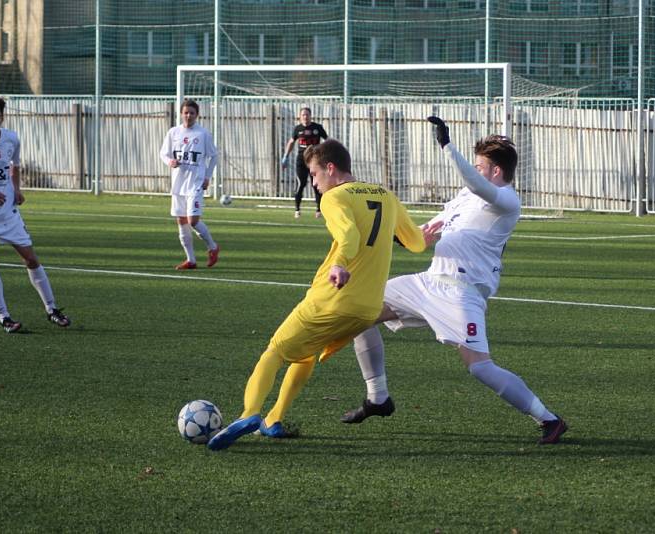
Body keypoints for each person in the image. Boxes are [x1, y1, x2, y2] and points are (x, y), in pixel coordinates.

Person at [340, 116, 568, 445]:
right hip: (429, 282)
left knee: (479, 367)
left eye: (479, 166)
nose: (474, 171)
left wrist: (447, 146)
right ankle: (378, 397)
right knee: (359, 311)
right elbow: (421, 235)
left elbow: (478, 185)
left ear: (496, 172)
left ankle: (549, 419)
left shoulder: (508, 201)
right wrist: (397, 235)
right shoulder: (464, 196)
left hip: (461, 293)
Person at [208, 139, 440, 450]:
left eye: (314, 174)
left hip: (333, 298)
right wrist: (430, 235)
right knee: (304, 353)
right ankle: (274, 419)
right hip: (368, 309)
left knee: (275, 351)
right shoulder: (386, 195)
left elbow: (349, 236)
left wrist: (340, 264)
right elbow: (415, 243)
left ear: (330, 168)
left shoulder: (334, 197)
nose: (314, 183)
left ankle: (249, 414)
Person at [0, 95, 71, 333]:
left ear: (2, 118)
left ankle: (52, 309)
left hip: (7, 214)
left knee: (31, 259)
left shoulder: (11, 139)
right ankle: (4, 317)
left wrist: (16, 189)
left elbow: (14, 165)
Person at [159, 99, 220, 270]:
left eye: (192, 113)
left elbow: (214, 156)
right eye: (186, 112)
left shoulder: (203, 134)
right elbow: (163, 153)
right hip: (178, 183)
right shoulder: (173, 132)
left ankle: (213, 247)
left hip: (195, 182)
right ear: (181, 113)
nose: (188, 116)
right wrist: (169, 161)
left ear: (196, 115)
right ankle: (191, 260)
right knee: (181, 220)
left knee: (193, 221)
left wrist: (207, 176)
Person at [281, 107, 328, 219]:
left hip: (315, 161)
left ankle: (319, 210)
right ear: (300, 116)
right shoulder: (298, 129)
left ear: (310, 116)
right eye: (303, 115)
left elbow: (327, 140)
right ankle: (297, 209)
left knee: (316, 185)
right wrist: (285, 156)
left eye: (307, 114)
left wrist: (328, 154)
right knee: (301, 184)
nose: (305, 117)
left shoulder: (317, 128)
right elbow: (291, 142)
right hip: (301, 161)